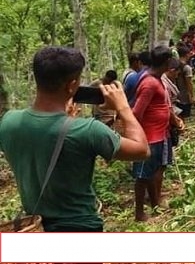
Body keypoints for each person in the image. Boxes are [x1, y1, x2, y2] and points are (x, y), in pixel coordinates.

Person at [0, 46, 150, 232]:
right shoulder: (88, 130)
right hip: (80, 228)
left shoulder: (9, 121)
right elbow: (142, 150)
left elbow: (43, 143)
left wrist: (65, 123)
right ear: (71, 86)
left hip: (35, 228)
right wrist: (123, 107)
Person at [131, 45, 184, 222]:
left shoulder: (157, 78)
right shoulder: (149, 83)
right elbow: (137, 113)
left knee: (153, 171)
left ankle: (155, 204)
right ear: (167, 62)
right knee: (142, 176)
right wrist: (138, 137)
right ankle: (139, 214)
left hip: (159, 134)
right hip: (149, 137)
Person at [175, 43, 195, 118]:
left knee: (178, 116)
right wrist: (192, 96)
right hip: (184, 97)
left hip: (175, 96)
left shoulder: (174, 65)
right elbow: (189, 83)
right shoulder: (187, 68)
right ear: (187, 54)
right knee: (184, 117)